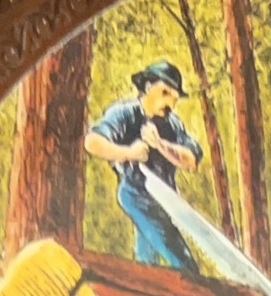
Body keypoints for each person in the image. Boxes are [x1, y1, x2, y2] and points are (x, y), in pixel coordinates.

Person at [85, 59, 203, 272]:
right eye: (165, 93)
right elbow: (92, 142)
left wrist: (161, 145)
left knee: (147, 265)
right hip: (136, 193)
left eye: (174, 98)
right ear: (148, 87)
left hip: (164, 200)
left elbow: (191, 160)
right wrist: (128, 153)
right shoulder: (124, 114)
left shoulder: (173, 124)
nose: (170, 103)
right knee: (185, 265)